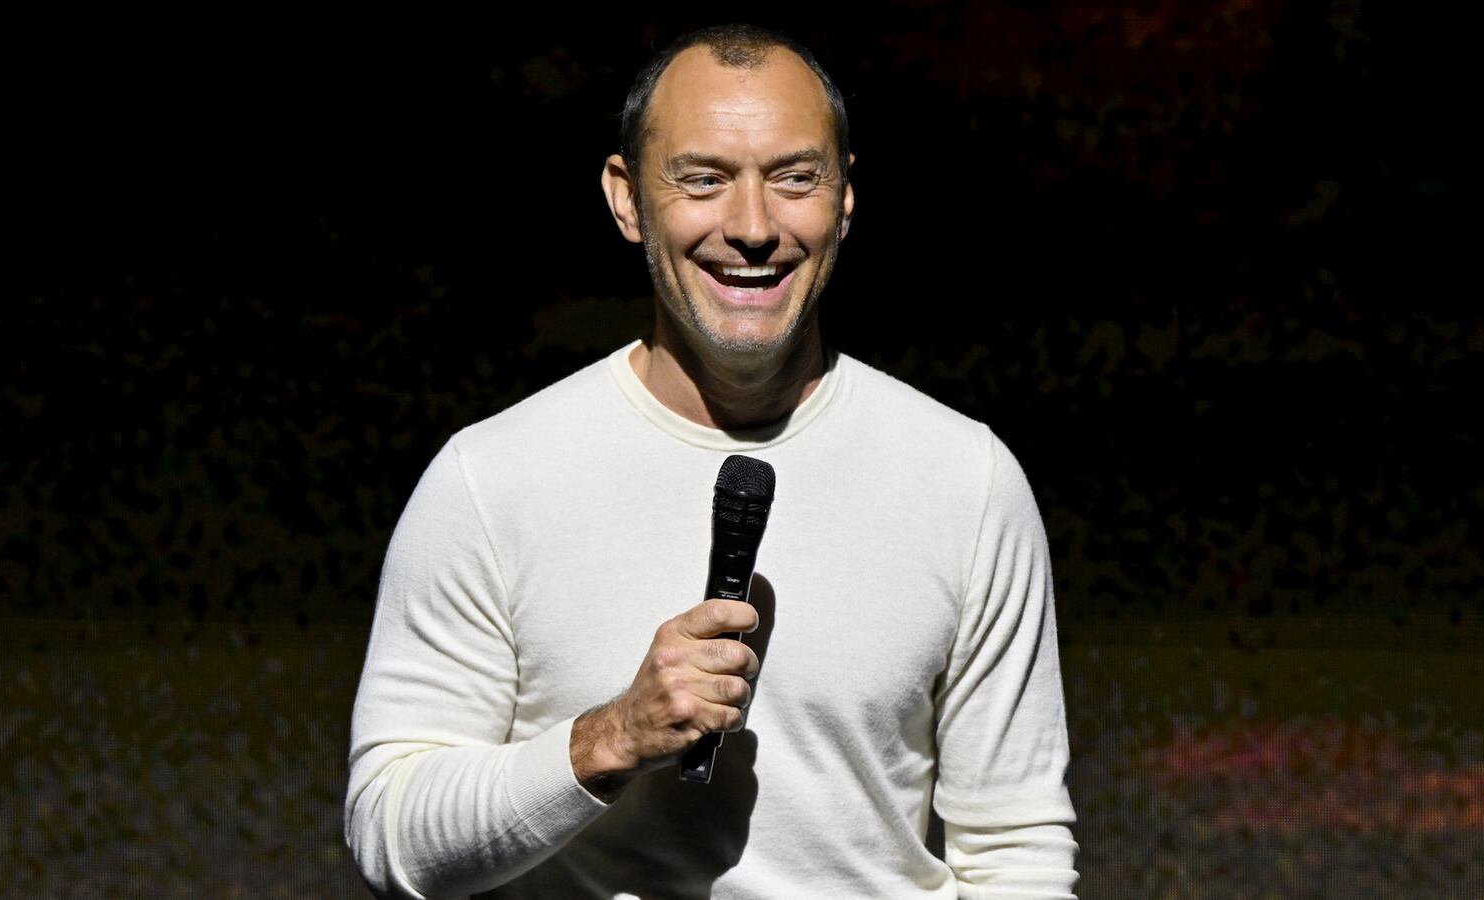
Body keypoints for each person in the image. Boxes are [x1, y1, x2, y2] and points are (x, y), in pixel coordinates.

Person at [346, 24, 1078, 899]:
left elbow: (1017, 856)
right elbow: (392, 836)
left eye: (795, 178)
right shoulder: (491, 479)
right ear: (626, 200)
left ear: (846, 197)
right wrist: (610, 737)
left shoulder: (965, 479)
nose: (754, 227)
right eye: (703, 180)